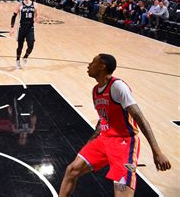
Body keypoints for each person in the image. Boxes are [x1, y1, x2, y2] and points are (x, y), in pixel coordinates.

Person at [59, 54, 171, 197]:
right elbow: (103, 120)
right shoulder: (95, 90)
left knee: (121, 191)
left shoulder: (118, 87)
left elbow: (139, 117)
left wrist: (157, 152)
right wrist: (90, 144)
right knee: (72, 170)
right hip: (104, 138)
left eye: (93, 62)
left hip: (124, 143)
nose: (88, 65)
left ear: (102, 67)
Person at [10, 0, 39, 69]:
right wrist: (12, 27)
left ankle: (25, 57)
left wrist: (37, 18)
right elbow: (14, 16)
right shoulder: (20, 5)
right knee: (20, 46)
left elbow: (37, 14)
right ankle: (17, 60)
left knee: (31, 46)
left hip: (30, 28)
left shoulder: (35, 5)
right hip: (21, 28)